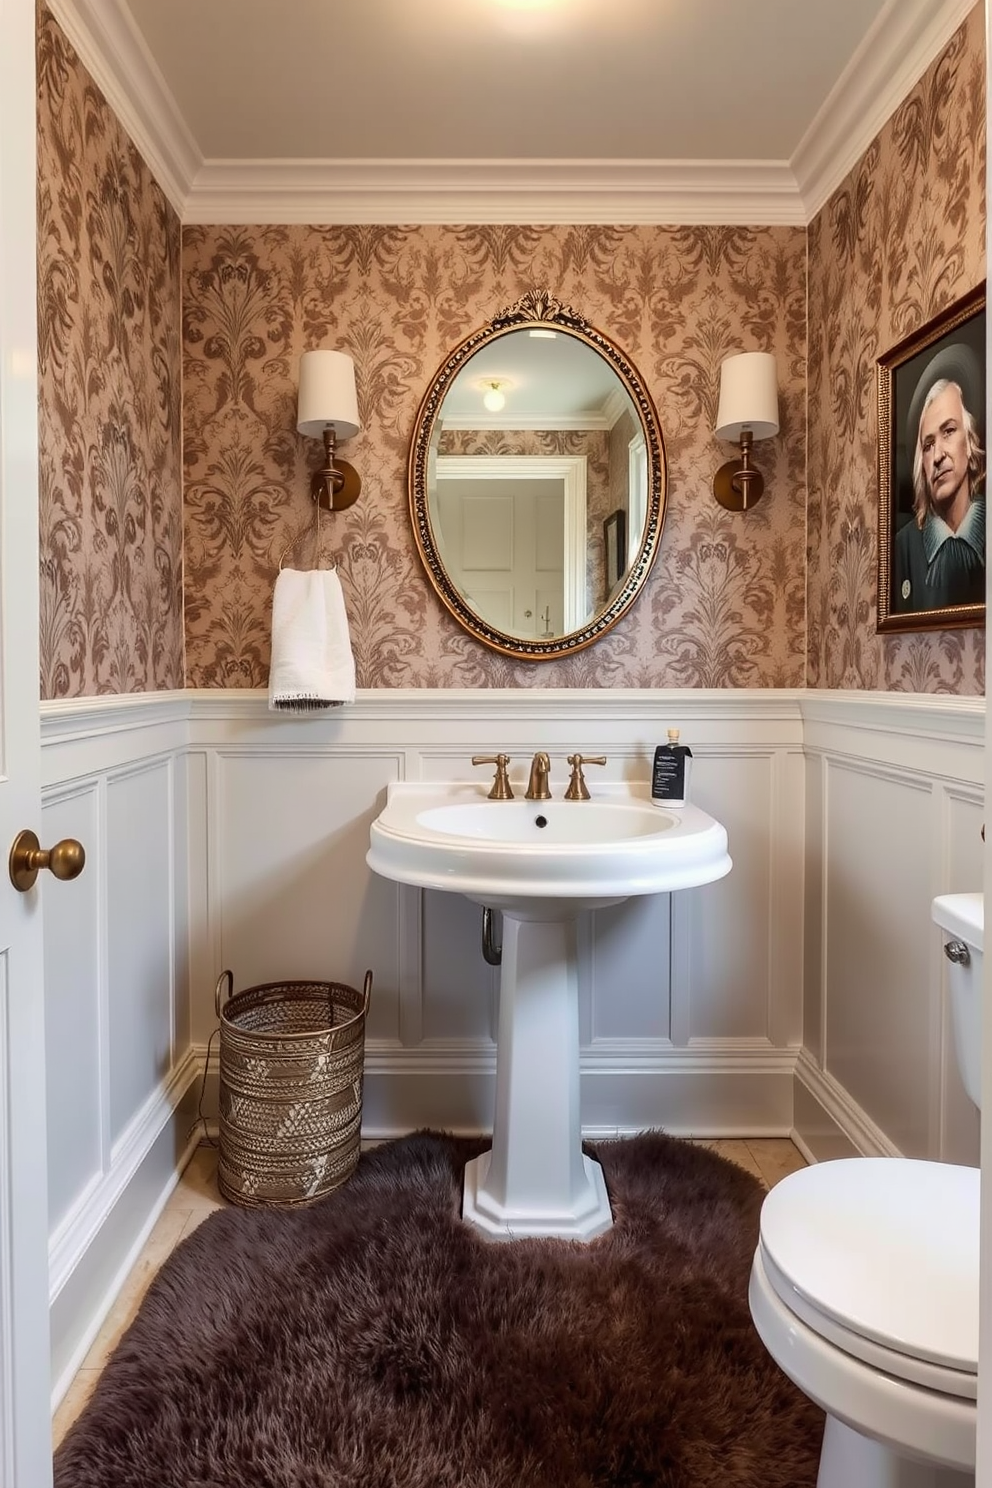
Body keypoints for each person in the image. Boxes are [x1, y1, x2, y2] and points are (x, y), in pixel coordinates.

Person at [894, 341, 985, 612]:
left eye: (948, 431)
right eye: (928, 444)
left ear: (969, 442)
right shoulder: (903, 547)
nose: (937, 456)